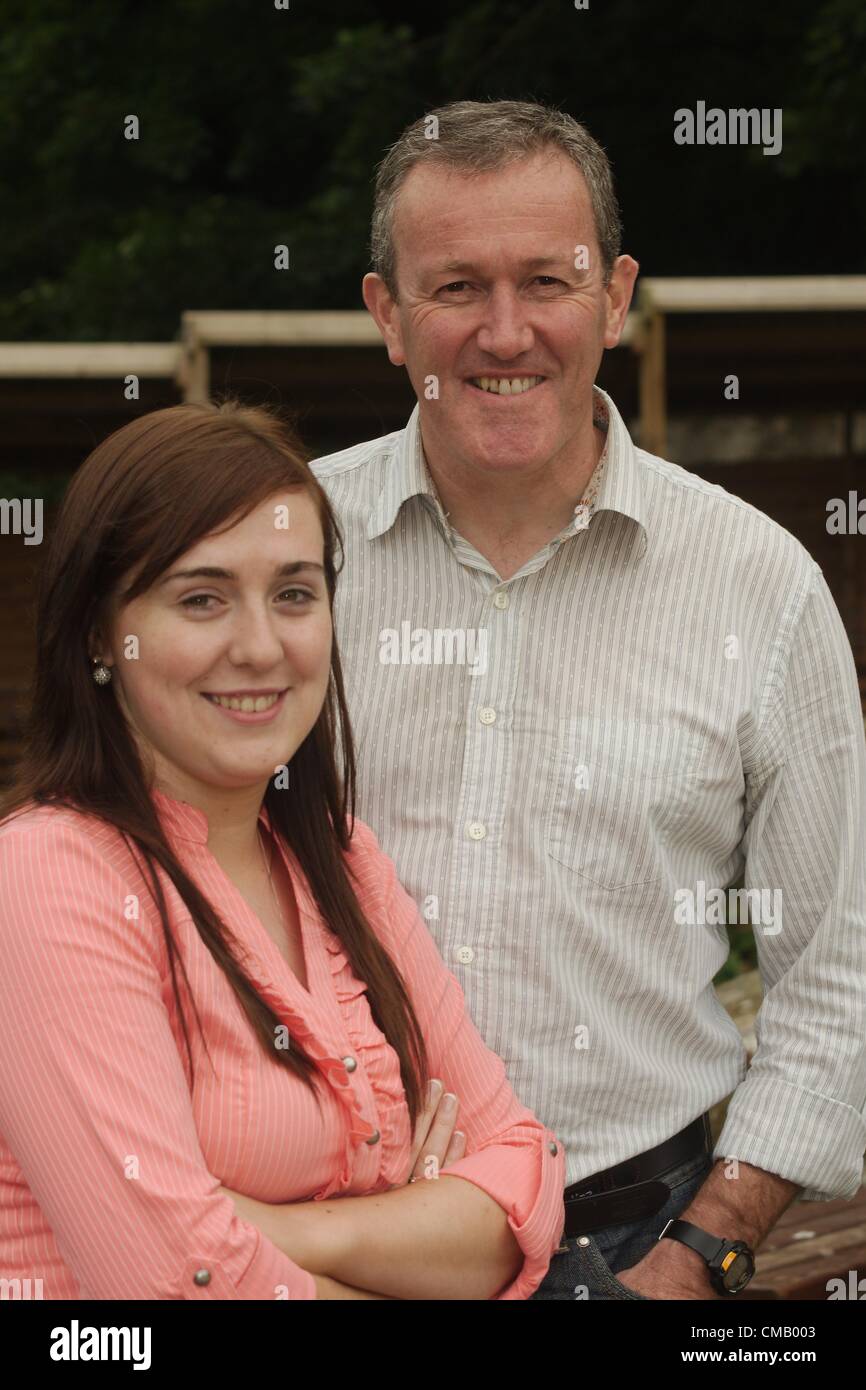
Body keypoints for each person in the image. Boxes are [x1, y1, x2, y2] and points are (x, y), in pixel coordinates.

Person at [307, 98, 866, 1300]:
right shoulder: (283, 555)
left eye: (544, 283)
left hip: (635, 1237)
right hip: (315, 1237)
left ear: (613, 298)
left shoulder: (756, 584)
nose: (503, 334)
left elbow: (838, 976)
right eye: (454, 286)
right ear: (385, 315)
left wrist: (703, 1251)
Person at [0, 400, 566, 1300]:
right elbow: (177, 1287)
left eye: (294, 593)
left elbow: (524, 1179)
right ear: (101, 631)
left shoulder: (338, 860)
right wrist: (413, 1238)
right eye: (201, 598)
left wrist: (272, 1228)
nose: (261, 647)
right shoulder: (47, 880)